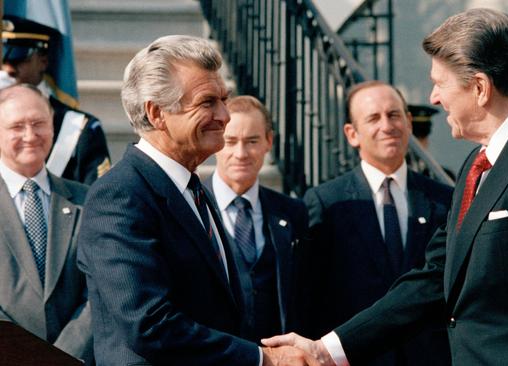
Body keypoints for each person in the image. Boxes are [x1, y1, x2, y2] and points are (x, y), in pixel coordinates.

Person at [264, 8, 508, 366]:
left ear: (480, 88)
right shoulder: (476, 164)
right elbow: (435, 276)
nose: (434, 97)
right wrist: (328, 350)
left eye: (440, 83)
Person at [76, 35, 316, 366]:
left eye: (224, 99)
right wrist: (263, 359)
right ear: (156, 113)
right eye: (207, 103)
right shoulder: (119, 196)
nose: (224, 115)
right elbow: (150, 324)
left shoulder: (191, 187)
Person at [297, 80, 454, 366]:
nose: (387, 125)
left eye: (394, 115)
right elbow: (312, 294)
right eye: (373, 118)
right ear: (352, 134)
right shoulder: (326, 203)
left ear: (408, 122)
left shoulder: (444, 199)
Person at [203, 95, 309, 342]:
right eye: (230, 141)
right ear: (217, 142)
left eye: (252, 141)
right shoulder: (193, 207)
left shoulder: (293, 212)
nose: (241, 153)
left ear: (268, 142)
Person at [0, 84, 93, 363]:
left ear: (53, 127)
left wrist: (59, 358)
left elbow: (98, 290)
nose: (30, 136)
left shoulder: (86, 201)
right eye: (17, 126)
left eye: (39, 123)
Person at [2, 15, 111, 185]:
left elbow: (97, 197)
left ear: (43, 61)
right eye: (3, 61)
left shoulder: (78, 127)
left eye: (18, 59)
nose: (8, 69)